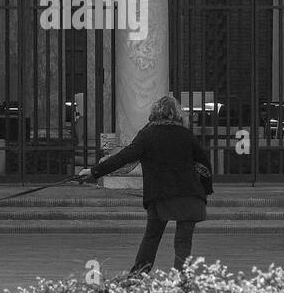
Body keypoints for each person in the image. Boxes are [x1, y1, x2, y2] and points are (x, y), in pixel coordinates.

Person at [78, 93, 212, 275]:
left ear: (155, 113)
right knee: (183, 242)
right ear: (178, 114)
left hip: (160, 196)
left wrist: (95, 172)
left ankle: (138, 275)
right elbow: (204, 164)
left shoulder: (148, 134)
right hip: (190, 197)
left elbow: (124, 157)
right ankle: (181, 281)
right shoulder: (187, 135)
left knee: (152, 236)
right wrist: (204, 190)